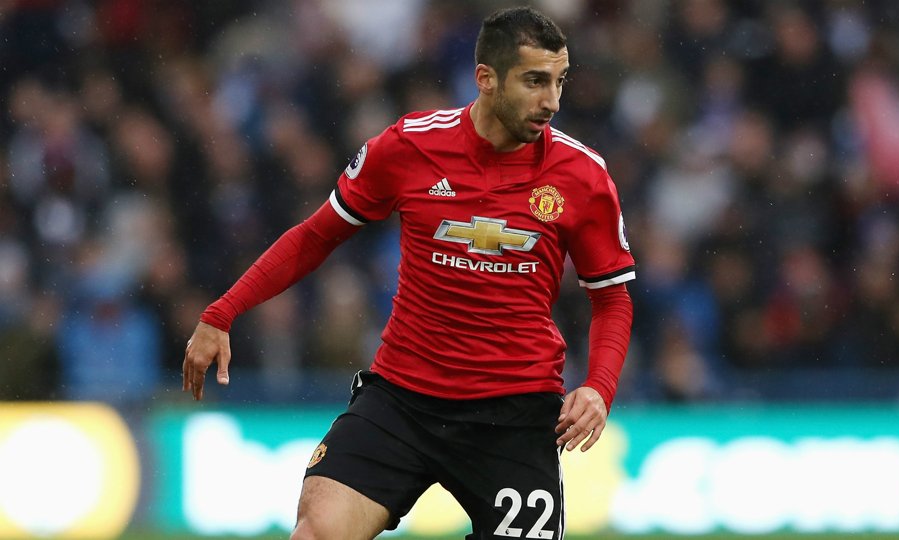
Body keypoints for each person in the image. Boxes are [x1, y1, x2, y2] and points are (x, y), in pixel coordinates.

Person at [182, 6, 635, 539]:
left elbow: (611, 297)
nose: (552, 101)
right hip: (402, 400)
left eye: (559, 81)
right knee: (317, 532)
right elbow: (316, 236)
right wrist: (222, 312)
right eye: (535, 81)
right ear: (486, 78)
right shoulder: (410, 146)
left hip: (514, 414)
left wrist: (599, 388)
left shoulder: (583, 176)